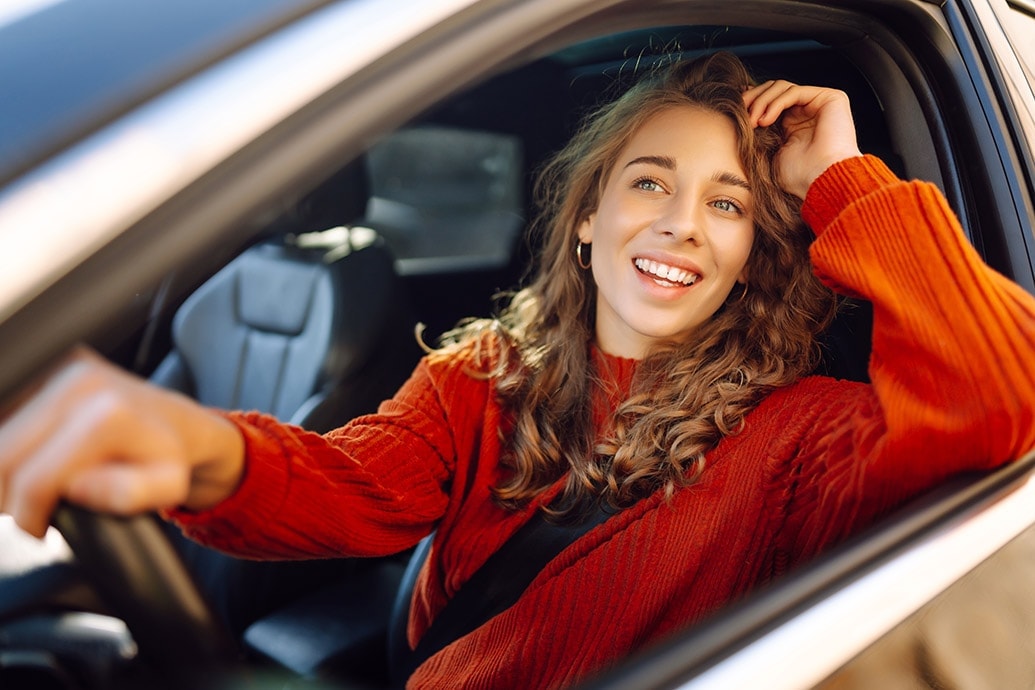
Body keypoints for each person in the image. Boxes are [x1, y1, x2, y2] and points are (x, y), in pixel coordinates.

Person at [2, 51, 1035, 689]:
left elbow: (1004, 392)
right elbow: (346, 486)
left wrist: (845, 181)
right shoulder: (484, 376)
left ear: (750, 251)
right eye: (650, 182)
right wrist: (197, 449)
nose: (681, 222)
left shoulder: (802, 435)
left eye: (726, 203)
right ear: (588, 218)